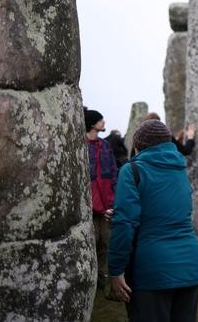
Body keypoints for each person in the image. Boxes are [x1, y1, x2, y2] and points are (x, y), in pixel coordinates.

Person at [108, 119, 198, 322]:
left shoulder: (132, 170)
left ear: (138, 144)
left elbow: (124, 225)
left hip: (152, 269)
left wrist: (115, 271)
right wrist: (120, 213)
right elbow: (168, 211)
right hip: (189, 264)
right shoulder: (179, 169)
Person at [85, 107, 117, 290]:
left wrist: (114, 194)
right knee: (91, 242)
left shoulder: (105, 145)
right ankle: (89, 278)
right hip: (89, 203)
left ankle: (101, 278)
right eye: (100, 120)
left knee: (106, 243)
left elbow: (113, 171)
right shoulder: (79, 145)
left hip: (106, 202)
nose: (103, 122)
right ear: (92, 123)